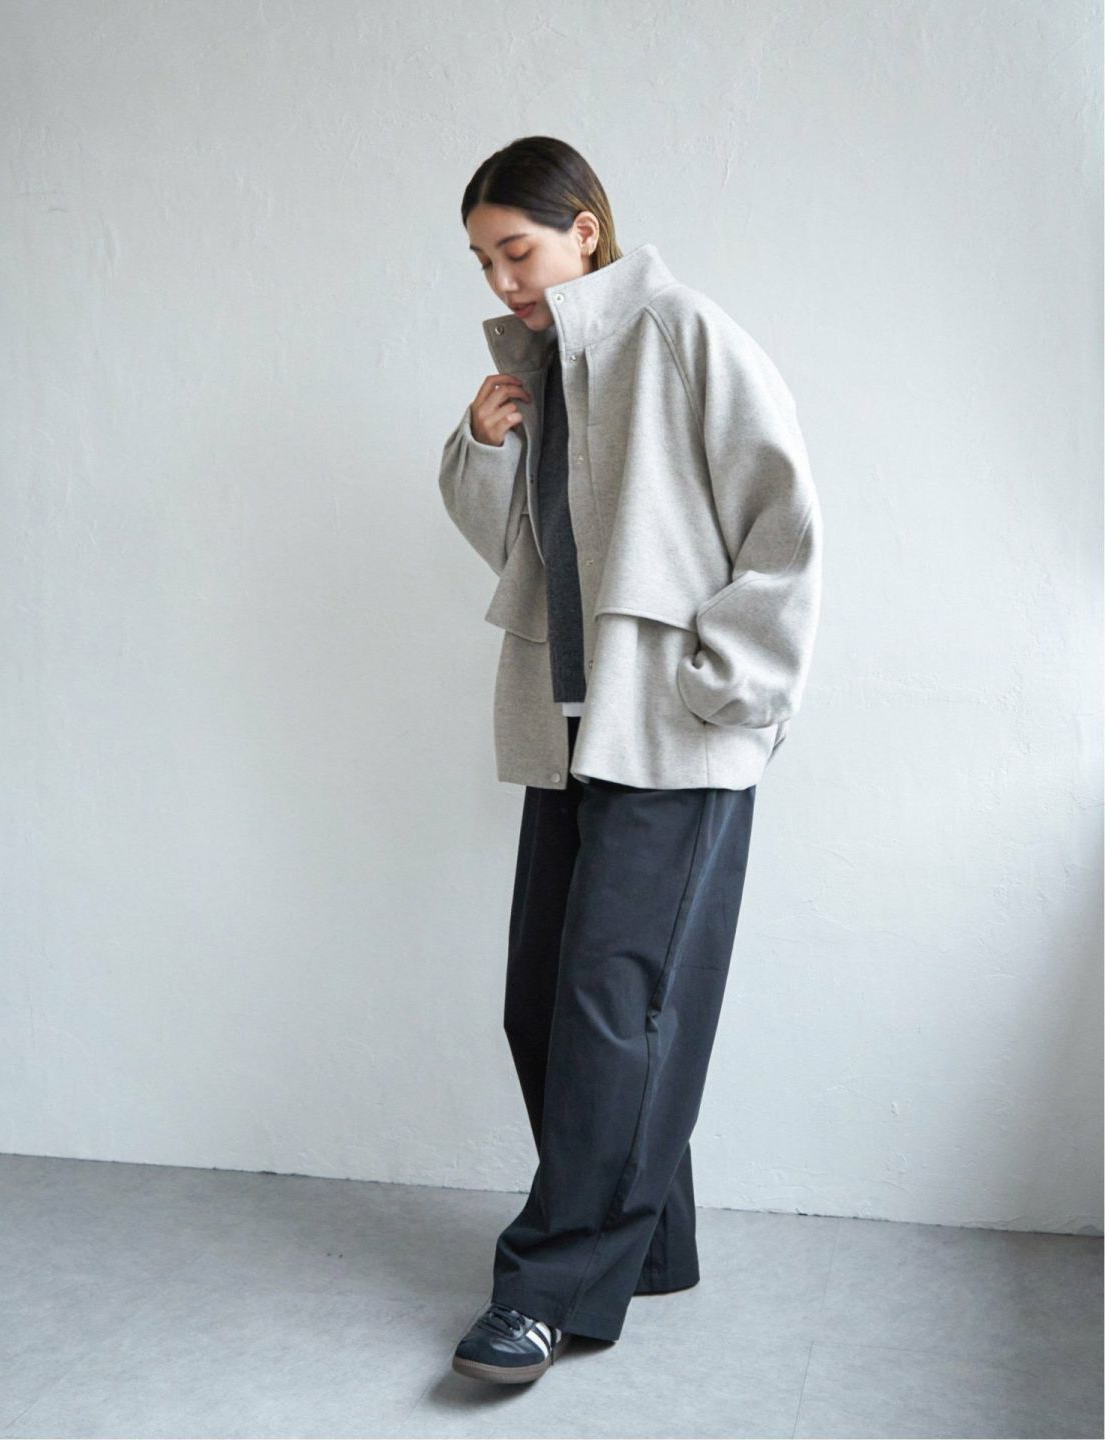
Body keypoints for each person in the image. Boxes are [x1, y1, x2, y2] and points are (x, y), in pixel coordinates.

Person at [437, 136, 823, 1384]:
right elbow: (518, 557)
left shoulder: (680, 332)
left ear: (585, 231)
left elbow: (785, 521)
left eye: (519, 250)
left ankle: (547, 1291)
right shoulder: (544, 371)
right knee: (548, 1004)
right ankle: (647, 1246)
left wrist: (727, 689)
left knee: (614, 1008)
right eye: (484, 261)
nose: (503, 280)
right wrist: (486, 443)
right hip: (573, 728)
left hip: (674, 734)